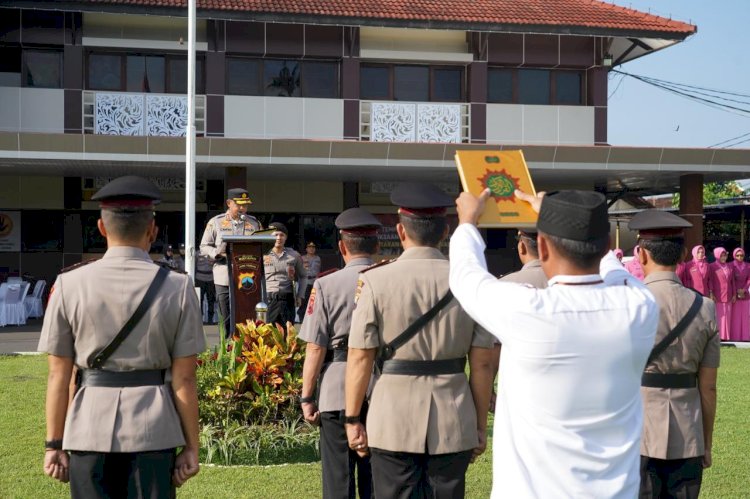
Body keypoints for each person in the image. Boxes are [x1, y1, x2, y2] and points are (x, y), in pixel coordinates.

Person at [450, 188, 659, 497]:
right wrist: (564, 219)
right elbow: (615, 271)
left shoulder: (527, 311)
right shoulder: (639, 306)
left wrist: (467, 222)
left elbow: (466, 276)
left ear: (542, 247)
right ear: (607, 247)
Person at [38, 176, 205, 498]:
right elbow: (185, 378)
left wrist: (53, 444)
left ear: (101, 228)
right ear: (152, 230)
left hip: (87, 428)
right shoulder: (178, 287)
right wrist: (191, 448)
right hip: (154, 431)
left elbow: (59, 375)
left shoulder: (69, 284)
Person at [345, 183, 495, 499]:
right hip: (453, 415)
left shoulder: (375, 280)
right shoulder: (471, 281)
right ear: (445, 232)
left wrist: (352, 419)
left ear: (400, 231)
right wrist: (479, 424)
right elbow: (482, 363)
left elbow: (361, 357)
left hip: (392, 415)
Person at [628, 210, 719, 499]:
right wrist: (706, 442)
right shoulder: (705, 308)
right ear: (682, 255)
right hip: (688, 432)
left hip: (637, 433)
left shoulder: (625, 304)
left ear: (641, 255)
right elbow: (708, 387)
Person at [299, 208, 382, 499]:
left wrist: (307, 396)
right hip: (381, 385)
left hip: (337, 386)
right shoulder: (388, 278)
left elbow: (315, 346)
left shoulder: (325, 284)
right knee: (378, 481)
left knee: (338, 480)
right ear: (377, 246)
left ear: (342, 246)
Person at [489, 228, 548, 408]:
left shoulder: (502, 286)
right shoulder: (568, 283)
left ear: (522, 247)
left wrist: (488, 390)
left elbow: (491, 351)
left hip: (517, 392)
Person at [200, 188, 262, 336]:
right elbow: (204, 246)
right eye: (239, 205)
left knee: (246, 310)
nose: (242, 208)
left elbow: (262, 245)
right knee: (225, 312)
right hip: (224, 274)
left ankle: (246, 346)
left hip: (248, 275)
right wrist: (217, 253)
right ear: (229, 203)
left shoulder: (254, 223)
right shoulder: (216, 222)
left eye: (245, 205)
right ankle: (226, 346)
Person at [264, 222, 306, 326]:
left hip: (287, 300)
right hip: (268, 300)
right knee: (267, 333)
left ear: (286, 237)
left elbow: (303, 276)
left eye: (282, 235)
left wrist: (300, 295)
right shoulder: (263, 254)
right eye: (275, 235)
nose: (278, 238)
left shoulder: (294, 255)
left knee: (287, 334)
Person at [708, 246, 735, 341]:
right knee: (719, 316)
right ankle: (718, 336)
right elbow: (710, 280)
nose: (724, 258)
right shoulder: (712, 266)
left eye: (725, 255)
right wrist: (711, 293)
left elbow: (732, 281)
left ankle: (726, 337)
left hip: (728, 294)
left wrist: (734, 294)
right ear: (717, 255)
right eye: (722, 256)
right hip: (717, 295)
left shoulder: (729, 266)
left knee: (727, 316)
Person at [297, 241, 322, 323]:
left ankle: (311, 320)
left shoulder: (317, 258)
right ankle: (301, 320)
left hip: (314, 281)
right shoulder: (302, 258)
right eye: (309, 247)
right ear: (306, 249)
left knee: (314, 301)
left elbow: (318, 270)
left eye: (313, 247)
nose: (311, 249)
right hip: (305, 281)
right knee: (304, 302)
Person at [731, 247, 750, 341]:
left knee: (746, 317)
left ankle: (746, 337)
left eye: (741, 255)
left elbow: (749, 279)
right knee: (736, 317)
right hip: (735, 295)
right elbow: (731, 280)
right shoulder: (730, 265)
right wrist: (736, 291)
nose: (740, 257)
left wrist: (744, 290)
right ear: (734, 256)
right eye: (737, 255)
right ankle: (735, 337)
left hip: (745, 294)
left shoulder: (748, 265)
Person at [195, 253, 216, 324]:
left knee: (211, 300)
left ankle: (210, 320)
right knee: (199, 300)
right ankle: (199, 319)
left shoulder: (213, 253)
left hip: (210, 279)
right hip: (199, 279)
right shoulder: (197, 254)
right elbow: (194, 266)